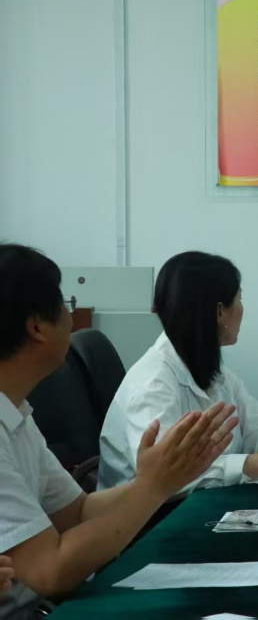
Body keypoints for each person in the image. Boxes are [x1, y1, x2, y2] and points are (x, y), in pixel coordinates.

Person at [0, 244, 237, 619]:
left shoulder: (16, 415)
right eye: (62, 303)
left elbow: (77, 512)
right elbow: (50, 572)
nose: (71, 315)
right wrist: (153, 487)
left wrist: (160, 477)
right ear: (37, 327)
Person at [98, 252, 258, 491]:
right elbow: (165, 476)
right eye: (239, 299)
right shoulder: (152, 385)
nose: (242, 308)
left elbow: (256, 426)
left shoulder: (210, 367)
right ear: (219, 311)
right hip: (157, 513)